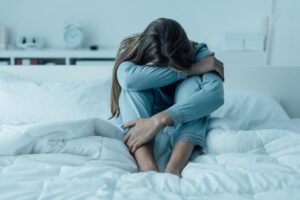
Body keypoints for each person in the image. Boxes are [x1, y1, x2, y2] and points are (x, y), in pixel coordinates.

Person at [110, 18, 224, 176]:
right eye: (157, 69)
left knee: (194, 90)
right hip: (143, 111)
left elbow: (215, 95)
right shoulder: (133, 49)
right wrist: (188, 70)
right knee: (134, 89)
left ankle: (173, 169)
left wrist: (160, 120)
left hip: (179, 113)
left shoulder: (199, 53)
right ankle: (147, 166)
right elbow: (128, 81)